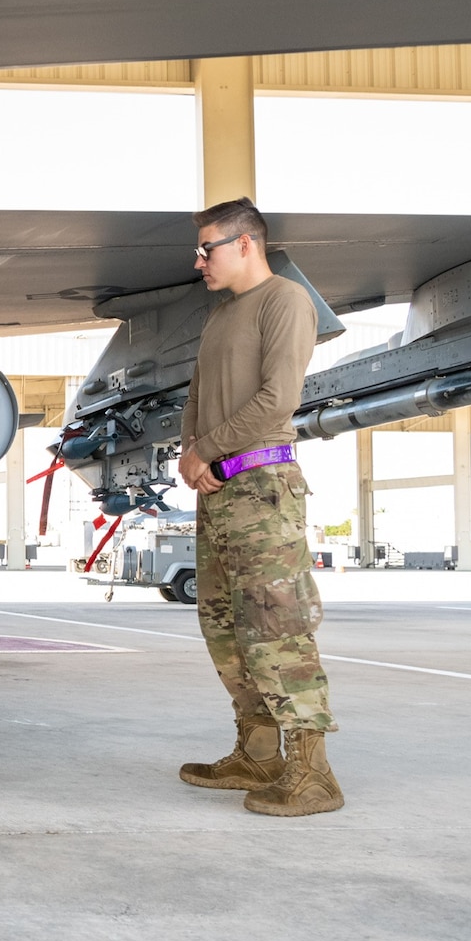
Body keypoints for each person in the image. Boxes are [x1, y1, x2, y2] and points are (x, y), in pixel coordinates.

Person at [175, 198, 342, 816]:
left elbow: (278, 401)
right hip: (220, 490)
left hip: (262, 489)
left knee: (278, 631)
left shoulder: (285, 302)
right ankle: (258, 754)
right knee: (226, 631)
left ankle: (313, 775)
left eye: (207, 248)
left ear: (246, 244)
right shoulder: (221, 316)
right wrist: (193, 453)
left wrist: (207, 451)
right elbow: (196, 398)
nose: (199, 261)